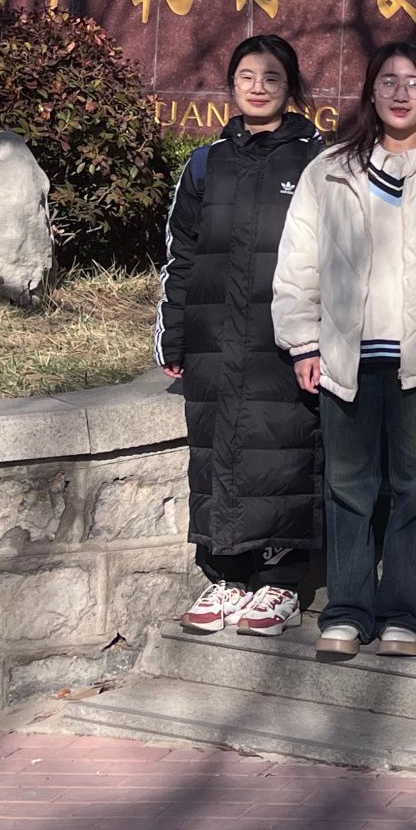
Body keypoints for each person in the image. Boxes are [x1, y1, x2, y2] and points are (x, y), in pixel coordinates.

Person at [273, 42, 416, 662]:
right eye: (388, 82)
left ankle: (404, 613)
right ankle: (348, 610)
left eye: (414, 83)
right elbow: (298, 262)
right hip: (346, 356)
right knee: (349, 486)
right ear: (370, 92)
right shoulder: (329, 170)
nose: (401, 94)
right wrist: (302, 341)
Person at [158, 36, 325, 639]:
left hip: (286, 341)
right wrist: (173, 335)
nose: (257, 87)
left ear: (291, 87)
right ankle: (227, 576)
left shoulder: (317, 160)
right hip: (214, 336)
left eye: (271, 77)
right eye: (246, 76)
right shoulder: (206, 164)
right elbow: (180, 255)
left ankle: (281, 582)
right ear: (231, 85)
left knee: (285, 452)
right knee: (218, 453)